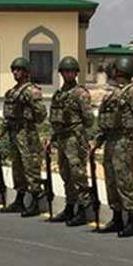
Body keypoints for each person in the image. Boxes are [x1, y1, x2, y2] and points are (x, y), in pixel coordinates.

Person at [91, 56, 133, 237]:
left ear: (120, 70)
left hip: (124, 141)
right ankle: (116, 217)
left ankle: (131, 220)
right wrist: (97, 141)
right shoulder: (111, 93)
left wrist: (130, 134)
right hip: (110, 140)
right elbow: (103, 121)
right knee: (111, 180)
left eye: (114, 69)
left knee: (125, 180)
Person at [0, 57, 48, 217]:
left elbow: (41, 115)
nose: (15, 73)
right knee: (17, 168)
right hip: (14, 133)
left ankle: (36, 201)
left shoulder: (32, 91)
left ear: (25, 72)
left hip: (27, 134)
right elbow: (8, 117)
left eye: (18, 70)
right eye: (14, 70)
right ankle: (20, 198)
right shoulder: (11, 92)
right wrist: (0, 133)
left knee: (30, 167)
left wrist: (30, 105)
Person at [46, 56, 93, 226]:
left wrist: (77, 130)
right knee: (66, 174)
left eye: (71, 71)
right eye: (65, 71)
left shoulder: (80, 93)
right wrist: (52, 138)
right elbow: (54, 119)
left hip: (74, 139)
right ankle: (69, 206)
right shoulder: (58, 95)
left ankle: (82, 210)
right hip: (61, 138)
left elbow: (89, 119)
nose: (68, 74)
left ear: (76, 73)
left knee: (78, 174)